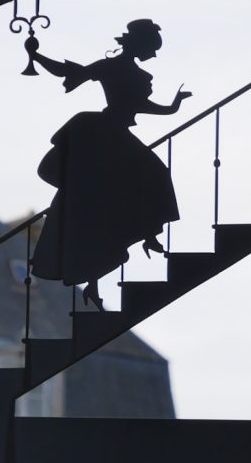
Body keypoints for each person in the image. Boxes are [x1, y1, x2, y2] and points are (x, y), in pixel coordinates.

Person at [25, 19, 191, 310]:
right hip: (104, 133)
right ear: (139, 44)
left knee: (127, 187)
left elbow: (139, 105)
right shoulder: (110, 67)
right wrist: (36, 57)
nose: (153, 54)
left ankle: (142, 239)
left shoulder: (138, 73)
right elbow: (70, 72)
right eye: (152, 47)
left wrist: (172, 107)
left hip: (114, 133)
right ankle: (146, 235)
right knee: (139, 180)